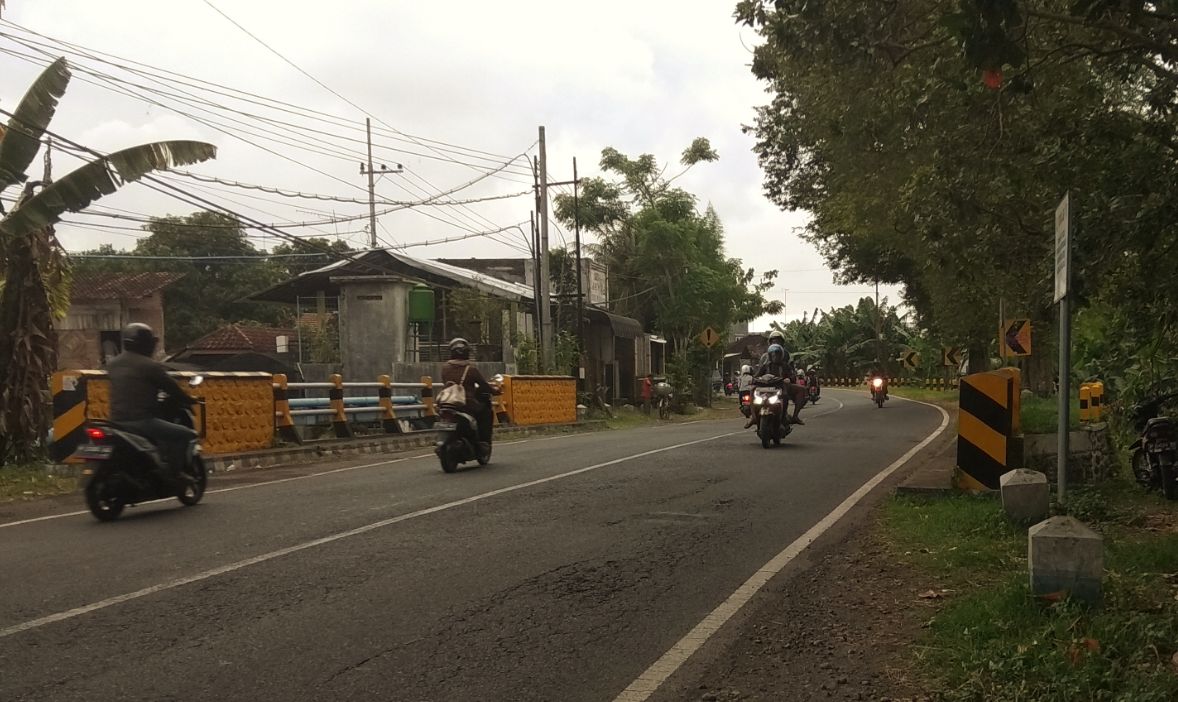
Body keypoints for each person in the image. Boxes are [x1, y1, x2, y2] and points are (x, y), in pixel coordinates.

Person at [105, 323, 196, 491]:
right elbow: (171, 387)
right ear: (146, 344)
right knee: (185, 434)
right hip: (142, 421)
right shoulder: (150, 366)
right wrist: (189, 399)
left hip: (116, 422)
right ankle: (175, 474)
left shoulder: (113, 364)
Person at [440, 337, 496, 456]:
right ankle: (483, 442)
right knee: (485, 412)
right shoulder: (471, 370)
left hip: (447, 403)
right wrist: (496, 391)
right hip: (466, 404)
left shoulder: (445, 368)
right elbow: (484, 386)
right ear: (466, 353)